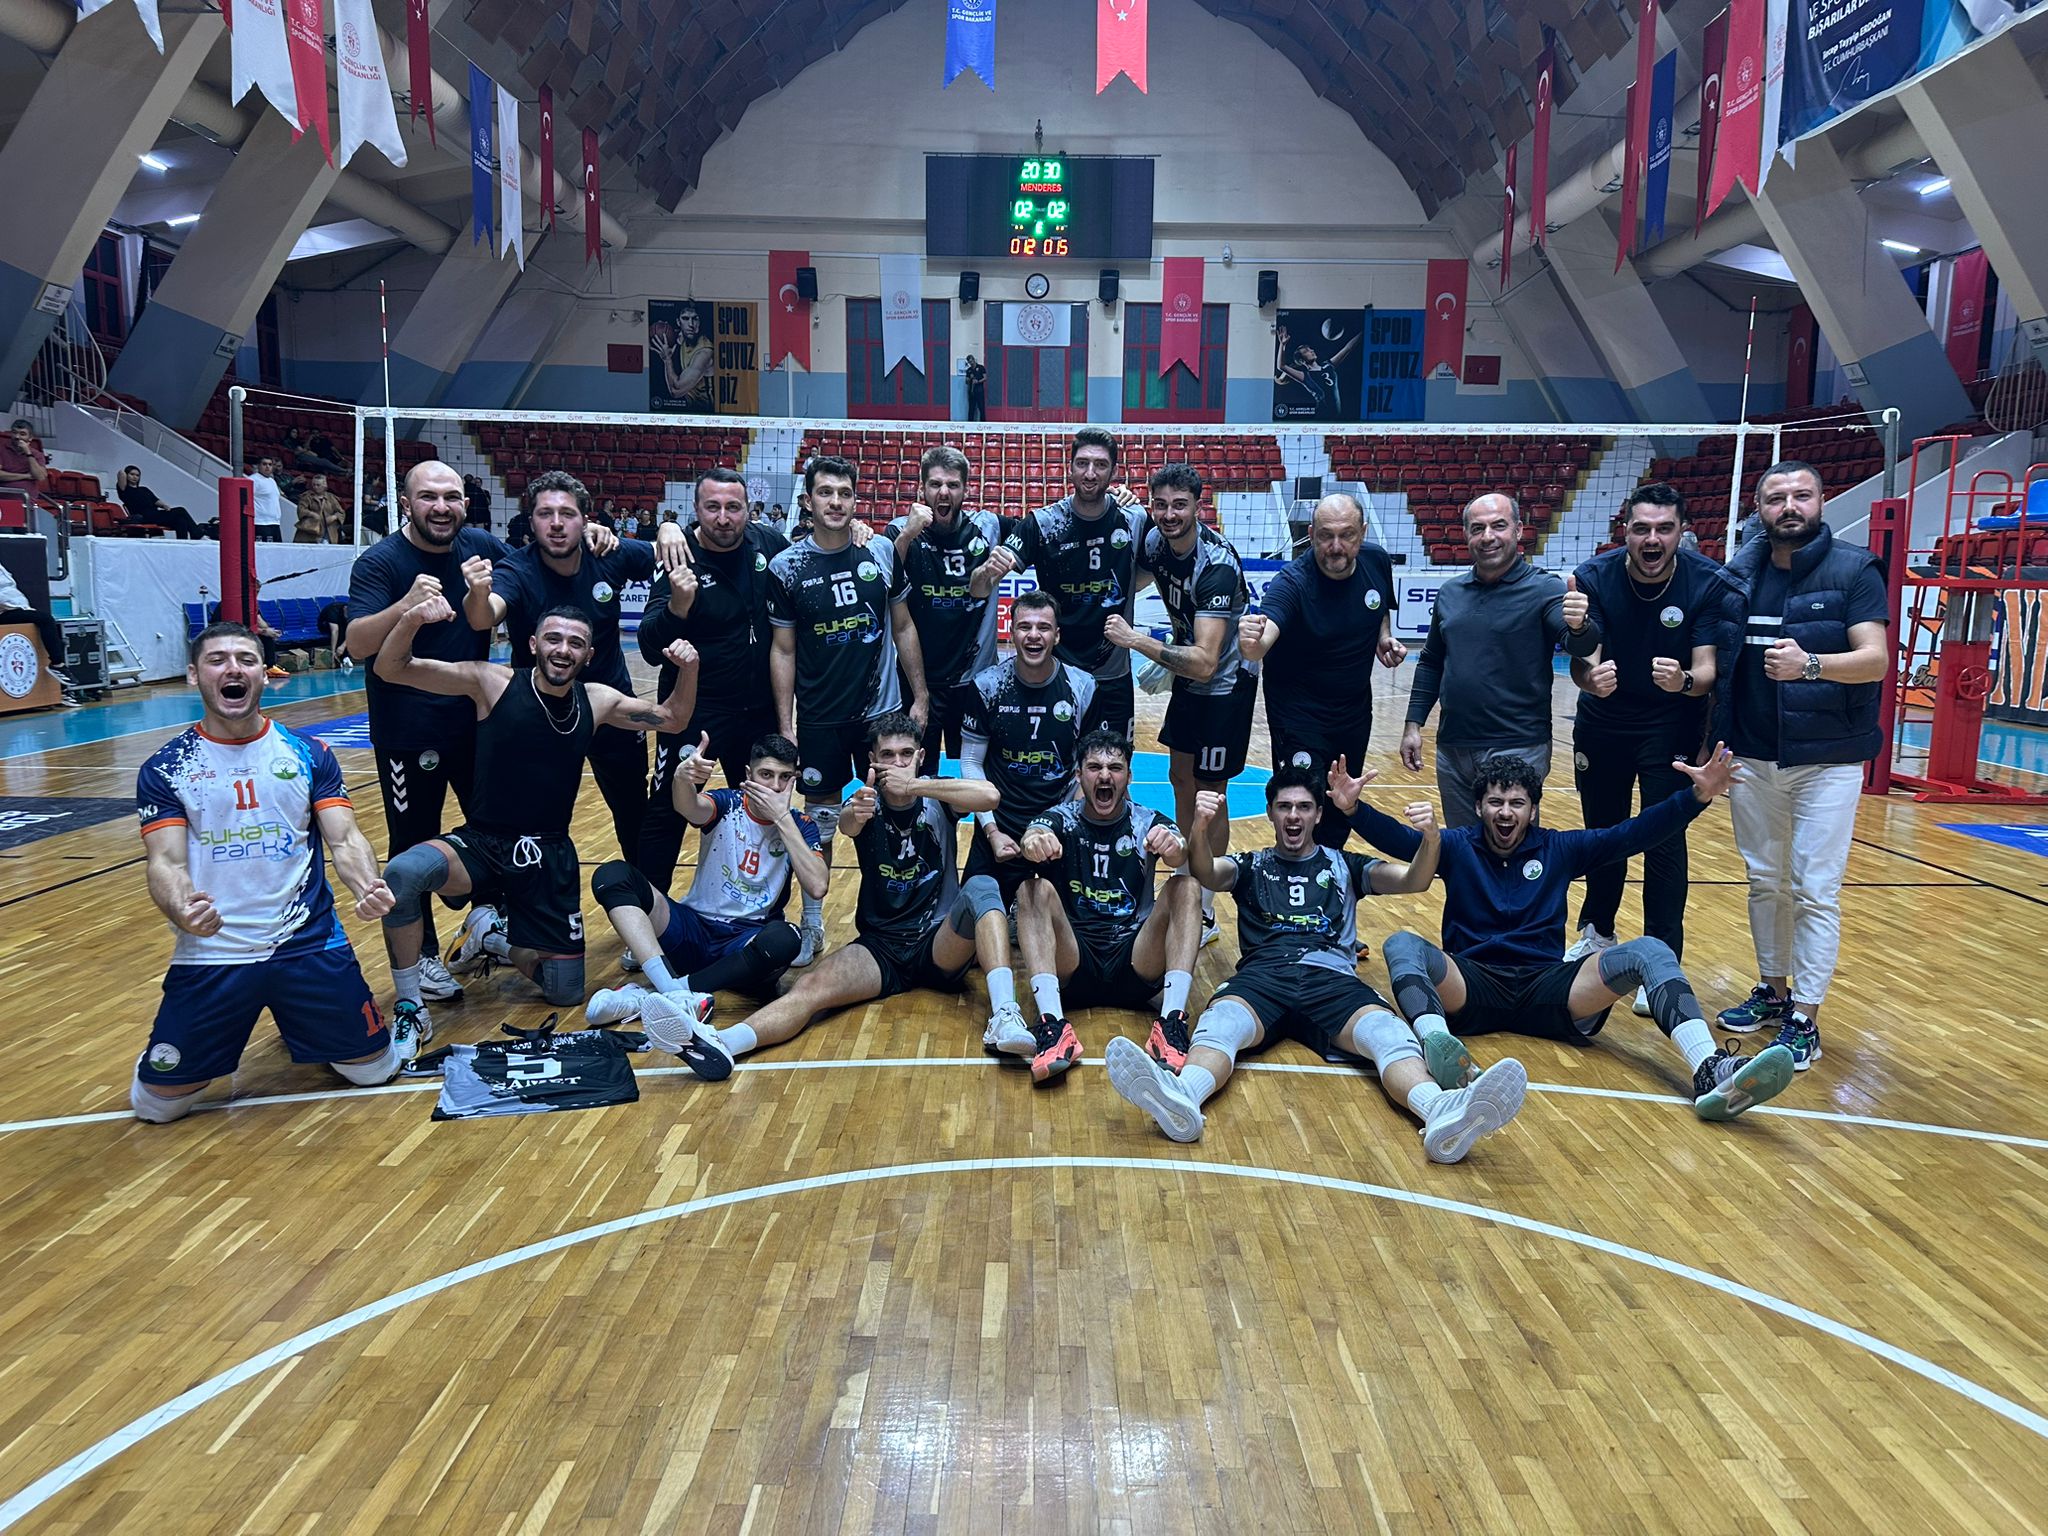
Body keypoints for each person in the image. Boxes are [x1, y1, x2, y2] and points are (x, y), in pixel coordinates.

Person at [1106, 768, 1530, 1165]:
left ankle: (1438, 1109)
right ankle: (1183, 1096)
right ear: (1271, 813)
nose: (1294, 816)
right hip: (1264, 977)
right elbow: (1205, 871)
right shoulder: (1251, 865)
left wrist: (1431, 840)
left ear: (1318, 815)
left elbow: (1414, 881)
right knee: (1221, 1024)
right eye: (1285, 807)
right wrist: (1200, 827)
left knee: (1387, 1033)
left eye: (1304, 807)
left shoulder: (1345, 865)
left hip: (1332, 978)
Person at [1348, 750, 1797, 1122]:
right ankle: (1438, 1046)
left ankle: (1709, 1068)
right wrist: (1353, 810)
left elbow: (1632, 835)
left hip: (1549, 986)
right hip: (1471, 984)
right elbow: (1398, 839)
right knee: (1402, 942)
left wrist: (1696, 797)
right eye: (1495, 802)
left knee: (1650, 950)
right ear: (1479, 807)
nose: (1505, 812)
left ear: (1533, 810)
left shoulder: (1559, 848)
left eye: (1517, 803)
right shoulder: (1455, 844)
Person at [370, 594, 699, 1047]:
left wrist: (689, 668)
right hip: (483, 844)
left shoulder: (597, 700)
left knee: (564, 991)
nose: (563, 650)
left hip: (549, 854)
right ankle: (410, 1005)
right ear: (532, 644)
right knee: (403, 873)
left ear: (589, 654)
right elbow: (391, 668)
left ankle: (490, 937)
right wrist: (410, 618)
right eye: (553, 639)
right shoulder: (491, 682)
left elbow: (673, 719)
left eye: (575, 643)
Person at [345, 460, 613, 1003]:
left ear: (466, 504)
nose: (441, 507)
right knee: (411, 845)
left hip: (479, 726)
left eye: (451, 496)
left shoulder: (481, 547)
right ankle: (422, 958)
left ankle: (489, 927)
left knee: (501, 831)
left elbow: (541, 559)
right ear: (406, 503)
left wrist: (596, 533)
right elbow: (355, 644)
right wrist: (406, 607)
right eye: (428, 497)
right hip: (409, 730)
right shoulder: (380, 561)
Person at [638, 713, 1007, 1081]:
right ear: (872, 760)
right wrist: (858, 811)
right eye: (887, 755)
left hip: (938, 941)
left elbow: (990, 796)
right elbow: (848, 823)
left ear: (921, 757)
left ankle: (1006, 1015)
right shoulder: (863, 802)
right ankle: (721, 1043)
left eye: (906, 754)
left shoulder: (938, 796)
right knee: (809, 988)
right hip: (882, 946)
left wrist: (913, 786)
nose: (897, 763)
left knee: (982, 886)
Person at [130, 622, 400, 1122]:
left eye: (246, 660)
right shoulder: (166, 768)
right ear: (193, 675)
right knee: (157, 1108)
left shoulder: (308, 753)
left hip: (308, 944)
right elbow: (165, 862)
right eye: (217, 660)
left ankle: (310, 1022)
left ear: (264, 674)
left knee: (374, 1072)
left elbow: (344, 838)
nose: (232, 669)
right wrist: (183, 909)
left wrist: (367, 885)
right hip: (214, 952)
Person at [1713, 461, 1891, 1072]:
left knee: (1815, 890)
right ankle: (1773, 990)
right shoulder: (1739, 573)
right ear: (1759, 509)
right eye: (1776, 498)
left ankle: (1805, 1019)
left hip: (1827, 758)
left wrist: (1810, 665)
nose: (1789, 506)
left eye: (1802, 495)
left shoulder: (1855, 569)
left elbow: (1875, 660)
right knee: (1764, 879)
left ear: (1821, 501)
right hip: (1752, 755)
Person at [1565, 483, 1741, 1003]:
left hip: (1671, 725)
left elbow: (1706, 672)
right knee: (1604, 833)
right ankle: (1597, 932)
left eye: (1664, 528)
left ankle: (1662, 956)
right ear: (1625, 531)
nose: (1652, 539)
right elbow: (1583, 657)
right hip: (1604, 722)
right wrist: (1589, 679)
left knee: (1665, 838)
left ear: (1682, 531)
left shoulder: (1705, 581)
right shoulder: (1594, 576)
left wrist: (1683, 680)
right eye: (1641, 528)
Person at [462, 469, 683, 862]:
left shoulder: (609, 554)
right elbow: (484, 617)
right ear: (531, 521)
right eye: (545, 514)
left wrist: (668, 529)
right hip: (540, 713)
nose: (556, 523)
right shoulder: (517, 570)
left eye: (567, 513)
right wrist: (477, 593)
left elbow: (664, 554)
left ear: (585, 520)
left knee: (633, 809)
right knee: (528, 813)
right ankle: (523, 889)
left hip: (612, 708)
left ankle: (645, 891)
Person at [768, 454, 929, 965]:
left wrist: (920, 695)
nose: (835, 502)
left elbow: (903, 626)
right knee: (819, 822)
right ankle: (813, 923)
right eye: (825, 492)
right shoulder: (787, 567)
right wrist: (786, 725)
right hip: (820, 719)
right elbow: (783, 650)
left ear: (856, 500)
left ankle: (901, 915)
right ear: (807, 500)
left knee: (894, 808)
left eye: (844, 493)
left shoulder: (878, 551)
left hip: (881, 714)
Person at [585, 732, 826, 1025]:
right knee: (611, 875)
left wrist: (781, 818)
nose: (775, 786)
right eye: (766, 774)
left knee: (786, 939)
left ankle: (657, 993)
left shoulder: (801, 825)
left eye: (785, 777)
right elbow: (688, 807)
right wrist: (681, 779)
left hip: (746, 947)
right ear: (748, 774)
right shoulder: (728, 803)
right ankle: (674, 991)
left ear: (794, 780)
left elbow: (817, 885)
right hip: (692, 931)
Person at [1109, 462, 1255, 942]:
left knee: (1210, 794)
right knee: (1180, 780)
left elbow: (1207, 662)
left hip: (1223, 687)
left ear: (1198, 506)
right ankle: (1187, 879)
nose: (1170, 514)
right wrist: (1125, 513)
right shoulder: (1155, 541)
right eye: (1161, 505)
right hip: (1188, 680)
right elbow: (1133, 578)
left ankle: (1206, 906)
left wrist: (1138, 641)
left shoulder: (1215, 566)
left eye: (1180, 505)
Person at [1014, 729, 1204, 1082]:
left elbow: (1179, 850)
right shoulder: (1061, 818)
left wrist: (1174, 845)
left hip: (1135, 959)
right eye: (1094, 767)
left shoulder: (1147, 820)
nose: (1104, 776)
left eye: (1115, 768)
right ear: (1078, 775)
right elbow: (1032, 835)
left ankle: (1171, 1024)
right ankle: (1053, 1025)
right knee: (1031, 890)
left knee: (1187, 886)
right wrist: (1034, 842)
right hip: (1075, 960)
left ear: (1128, 777)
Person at [1400, 493, 1601, 825]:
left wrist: (1580, 625)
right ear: (1466, 534)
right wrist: (1413, 725)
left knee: (1513, 849)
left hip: (1518, 745)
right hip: (1454, 747)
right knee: (1463, 849)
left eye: (1498, 526)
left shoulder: (1544, 588)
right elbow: (1432, 662)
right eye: (1478, 528)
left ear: (1518, 530)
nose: (1488, 536)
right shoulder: (1450, 593)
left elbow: (1578, 644)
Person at [637, 468, 790, 888]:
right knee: (668, 809)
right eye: (713, 507)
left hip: (758, 713)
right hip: (695, 713)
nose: (723, 518)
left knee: (766, 808)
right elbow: (649, 647)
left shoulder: (768, 544)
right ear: (696, 509)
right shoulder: (679, 557)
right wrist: (678, 607)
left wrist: (860, 531)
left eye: (733, 507)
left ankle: (763, 906)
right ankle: (651, 910)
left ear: (748, 509)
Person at [1240, 492, 1404, 848]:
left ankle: (1330, 878)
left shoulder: (1376, 561)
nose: (1336, 546)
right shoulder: (1293, 582)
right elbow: (1263, 638)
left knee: (1342, 804)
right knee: (1300, 808)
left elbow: (1380, 605)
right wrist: (1251, 644)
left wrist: (1384, 637)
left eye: (1347, 535)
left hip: (1353, 716)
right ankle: (1294, 879)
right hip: (1299, 719)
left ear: (1362, 532)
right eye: (1326, 536)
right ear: (1311, 534)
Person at [1002, 427, 1147, 740]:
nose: (1090, 473)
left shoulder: (1133, 518)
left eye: (1100, 465)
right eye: (1082, 463)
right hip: (1058, 673)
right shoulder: (1044, 522)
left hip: (1112, 674)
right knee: (1056, 763)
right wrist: (990, 567)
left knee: (1114, 763)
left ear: (1114, 471)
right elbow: (987, 579)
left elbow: (1151, 572)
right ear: (1070, 467)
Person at [959, 590, 1095, 906]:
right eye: (1025, 626)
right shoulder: (987, 686)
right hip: (1001, 826)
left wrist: (1069, 826)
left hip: (1058, 825)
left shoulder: (1082, 687)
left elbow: (1089, 767)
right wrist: (992, 831)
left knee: (1074, 925)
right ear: (1012, 632)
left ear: (1057, 635)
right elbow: (970, 762)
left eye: (1043, 627)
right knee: (971, 919)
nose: (1034, 635)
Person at [888, 444, 1016, 777]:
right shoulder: (900, 531)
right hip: (917, 681)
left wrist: (1114, 498)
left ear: (966, 490)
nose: (944, 492)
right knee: (915, 775)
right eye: (935, 484)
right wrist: (908, 535)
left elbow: (1041, 529)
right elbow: (883, 581)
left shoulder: (989, 527)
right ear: (922, 489)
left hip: (974, 681)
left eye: (953, 485)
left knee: (978, 777)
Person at [0, 557, 66, 685]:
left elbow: (8, 589)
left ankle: (60, 685)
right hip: (5, 612)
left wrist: (24, 608)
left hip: (14, 608)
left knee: (55, 633)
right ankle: (57, 665)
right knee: (45, 619)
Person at [655, 305, 715, 411]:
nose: (691, 324)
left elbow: (675, 390)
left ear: (700, 322)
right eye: (685, 318)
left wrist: (667, 360)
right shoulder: (682, 337)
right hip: (689, 408)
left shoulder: (704, 353)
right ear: (679, 322)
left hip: (705, 411)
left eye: (695, 319)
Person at [115, 466, 200, 538]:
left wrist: (164, 505)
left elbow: (155, 500)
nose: (135, 477)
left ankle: (182, 544)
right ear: (126, 475)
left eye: (137, 475)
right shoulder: (124, 490)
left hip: (155, 515)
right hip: (143, 517)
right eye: (132, 474)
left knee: (181, 520)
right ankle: (196, 533)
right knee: (181, 510)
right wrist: (126, 472)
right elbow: (121, 473)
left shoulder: (144, 489)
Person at [0, 419, 50, 503]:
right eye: (14, 433)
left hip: (27, 502)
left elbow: (40, 477)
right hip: (3, 501)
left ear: (30, 438)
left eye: (22, 434)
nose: (17, 437)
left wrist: (28, 453)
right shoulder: (1, 449)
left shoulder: (37, 454)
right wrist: (26, 476)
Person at [294, 474, 346, 544]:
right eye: (314, 485)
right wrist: (311, 514)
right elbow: (301, 510)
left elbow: (341, 512)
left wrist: (334, 517)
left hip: (328, 533)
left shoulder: (331, 497)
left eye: (318, 485)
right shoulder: (306, 496)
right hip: (309, 533)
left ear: (325, 485)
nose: (315, 487)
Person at [249, 456, 290, 543]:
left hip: (274, 522)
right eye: (264, 464)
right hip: (260, 522)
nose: (267, 467)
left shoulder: (272, 481)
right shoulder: (253, 480)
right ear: (259, 466)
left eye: (270, 464)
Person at [964, 354, 988, 421]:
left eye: (972, 361)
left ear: (974, 360)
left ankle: (983, 424)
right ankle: (970, 424)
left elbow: (985, 378)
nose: (971, 363)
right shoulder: (969, 370)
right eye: (969, 362)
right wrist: (969, 379)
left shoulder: (981, 367)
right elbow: (966, 381)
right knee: (971, 409)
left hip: (979, 391)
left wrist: (978, 381)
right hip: (971, 392)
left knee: (981, 408)